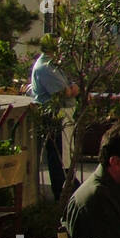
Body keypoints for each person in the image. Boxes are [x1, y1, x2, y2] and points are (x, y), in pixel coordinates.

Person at [28, 35, 78, 199]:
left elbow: (72, 86)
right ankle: (63, 191)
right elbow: (65, 92)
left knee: (63, 154)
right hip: (56, 114)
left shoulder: (53, 65)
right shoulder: (46, 68)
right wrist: (71, 88)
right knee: (60, 154)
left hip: (61, 113)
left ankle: (67, 187)